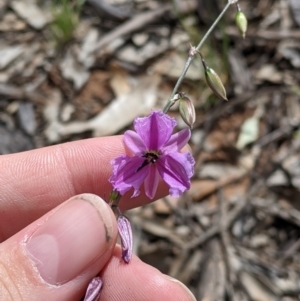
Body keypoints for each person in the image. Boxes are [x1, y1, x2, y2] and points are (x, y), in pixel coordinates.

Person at [0, 136, 196, 301]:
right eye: (150, 154)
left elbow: (150, 183)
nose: (152, 157)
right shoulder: (144, 157)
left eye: (154, 156)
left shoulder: (154, 164)